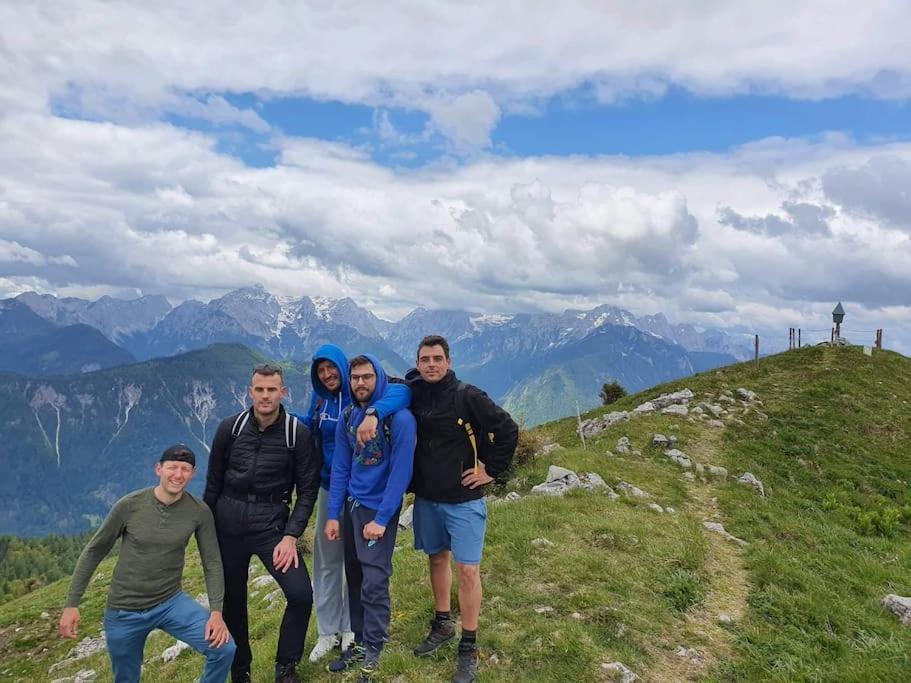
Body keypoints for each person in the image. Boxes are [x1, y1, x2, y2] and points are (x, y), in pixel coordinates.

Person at [59, 444, 235, 683]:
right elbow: (94, 551)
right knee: (127, 678)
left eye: (185, 469)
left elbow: (212, 562)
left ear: (193, 473)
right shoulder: (129, 505)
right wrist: (72, 603)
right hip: (124, 610)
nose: (178, 475)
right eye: (172, 467)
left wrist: (216, 612)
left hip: (170, 602)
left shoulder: (199, 512)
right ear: (158, 469)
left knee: (223, 648)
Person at [407, 335, 518, 683]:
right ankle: (443, 624)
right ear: (417, 363)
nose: (431, 365)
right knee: (436, 559)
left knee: (468, 570)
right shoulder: (415, 390)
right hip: (427, 497)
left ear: (449, 362)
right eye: (425, 359)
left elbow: (507, 428)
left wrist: (491, 470)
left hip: (465, 500)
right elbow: (386, 387)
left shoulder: (468, 396)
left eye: (437, 359)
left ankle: (469, 645)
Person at [204, 363, 321, 683]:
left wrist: (291, 536)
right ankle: (240, 671)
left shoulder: (297, 434)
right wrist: (203, 530)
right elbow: (213, 483)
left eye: (272, 389)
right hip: (227, 525)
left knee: (301, 594)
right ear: (250, 391)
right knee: (233, 602)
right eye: (259, 389)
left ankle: (286, 666)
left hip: (272, 528)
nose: (265, 395)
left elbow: (307, 491)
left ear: (283, 392)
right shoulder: (230, 428)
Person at [296, 344, 411, 663]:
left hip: (370, 502)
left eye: (332, 368)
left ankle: (364, 640)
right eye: (320, 370)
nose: (327, 374)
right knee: (342, 566)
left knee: (368, 573)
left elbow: (405, 392)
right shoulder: (329, 403)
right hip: (340, 496)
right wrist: (279, 413)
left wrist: (374, 414)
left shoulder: (386, 409)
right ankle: (341, 635)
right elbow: (330, 452)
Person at [323, 354, 416, 681]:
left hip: (378, 511)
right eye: (355, 378)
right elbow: (341, 467)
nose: (360, 383)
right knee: (355, 576)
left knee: (374, 580)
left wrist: (382, 518)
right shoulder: (349, 416)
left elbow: (400, 474)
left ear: (378, 378)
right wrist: (333, 514)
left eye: (367, 377)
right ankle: (361, 641)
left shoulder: (400, 420)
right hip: (352, 507)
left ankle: (374, 648)